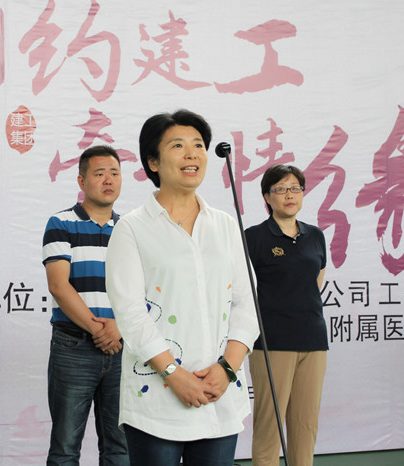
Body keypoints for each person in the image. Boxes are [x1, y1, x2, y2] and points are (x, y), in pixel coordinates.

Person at [105, 109, 259, 466]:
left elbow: (247, 303)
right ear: (153, 162)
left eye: (199, 145)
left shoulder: (225, 225)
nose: (192, 154)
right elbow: (130, 313)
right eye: (178, 146)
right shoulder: (132, 228)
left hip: (220, 392)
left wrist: (228, 368)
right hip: (158, 399)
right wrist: (174, 374)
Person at [42, 145, 129, 465]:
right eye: (100, 173)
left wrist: (119, 329)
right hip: (74, 346)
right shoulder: (61, 223)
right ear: (81, 181)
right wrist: (99, 330)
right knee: (65, 446)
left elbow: (145, 291)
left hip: (123, 347)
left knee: (121, 446)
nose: (108, 180)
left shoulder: (131, 228)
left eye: (114, 173)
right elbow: (58, 285)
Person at [244, 165, 328, 466]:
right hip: (272, 341)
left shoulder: (315, 235)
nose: (289, 195)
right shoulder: (254, 237)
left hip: (313, 340)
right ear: (267, 197)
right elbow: (243, 290)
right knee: (270, 426)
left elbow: (317, 281)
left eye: (295, 188)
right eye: (280, 189)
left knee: (306, 425)